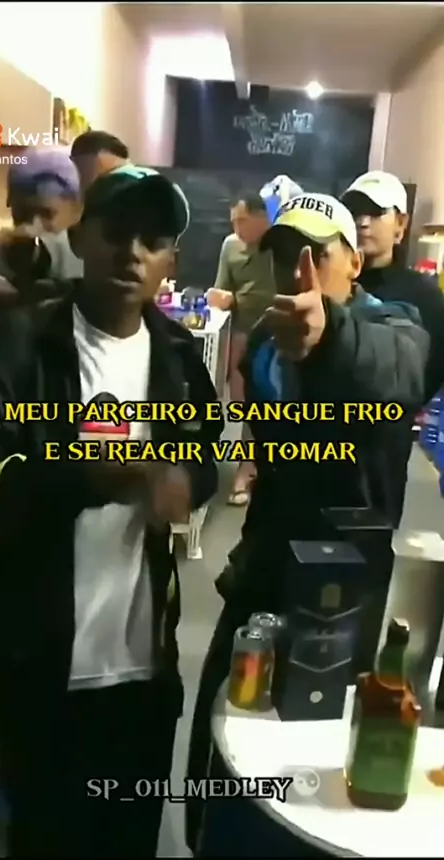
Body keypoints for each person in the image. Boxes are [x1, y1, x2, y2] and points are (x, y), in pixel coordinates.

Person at [0, 165, 223, 858]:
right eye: (117, 232)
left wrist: (187, 481)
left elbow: (203, 456)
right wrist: (96, 476)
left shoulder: (178, 359)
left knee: (129, 839)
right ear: (81, 238)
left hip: (144, 671)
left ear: (170, 261)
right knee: (44, 840)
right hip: (42, 669)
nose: (132, 252)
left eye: (153, 240)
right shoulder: (21, 341)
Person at [185, 192, 429, 854]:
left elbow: (396, 369)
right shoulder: (266, 345)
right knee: (227, 728)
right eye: (285, 255)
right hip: (266, 568)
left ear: (353, 264)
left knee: (317, 755)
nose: (298, 270)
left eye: (316, 254)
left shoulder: (393, 327)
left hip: (347, 589)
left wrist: (331, 337)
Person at [342, 170, 444, 522]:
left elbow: (432, 370)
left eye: (376, 213)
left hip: (383, 447)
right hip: (321, 436)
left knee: (370, 536)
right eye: (356, 213)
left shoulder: (423, 296)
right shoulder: (330, 281)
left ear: (401, 223)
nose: (363, 222)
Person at [0, 148, 83, 344]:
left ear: (76, 212)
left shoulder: (91, 258)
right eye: (23, 214)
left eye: (47, 214)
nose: (32, 227)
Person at [206, 194, 274, 506]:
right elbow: (222, 287)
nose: (237, 228)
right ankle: (247, 465)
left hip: (276, 332)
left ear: (262, 218)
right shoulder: (230, 246)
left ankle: (254, 468)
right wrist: (218, 298)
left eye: (242, 221)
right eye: (233, 221)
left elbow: (274, 294)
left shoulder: (278, 247)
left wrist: (235, 300)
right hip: (242, 332)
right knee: (243, 404)